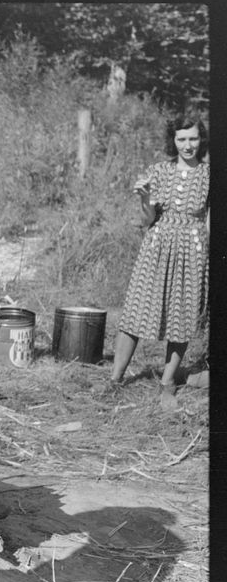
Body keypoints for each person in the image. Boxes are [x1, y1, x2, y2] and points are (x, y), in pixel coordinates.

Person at [109, 116, 209, 410]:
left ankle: (167, 384)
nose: (187, 145)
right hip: (157, 247)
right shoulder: (159, 171)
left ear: (201, 139)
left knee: (182, 317)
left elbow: (211, 222)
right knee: (135, 312)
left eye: (192, 139)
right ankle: (115, 379)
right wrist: (145, 198)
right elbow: (149, 219)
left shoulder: (210, 175)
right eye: (181, 139)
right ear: (173, 141)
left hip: (192, 250)